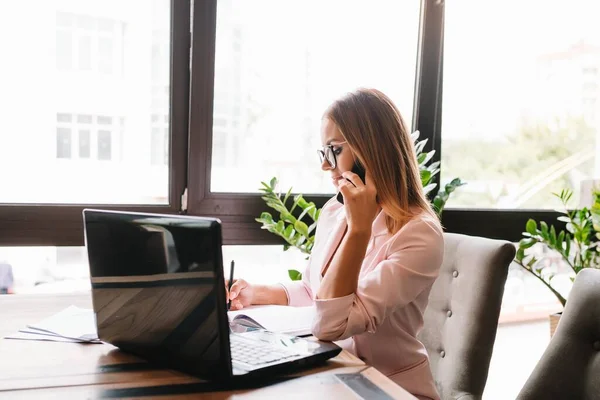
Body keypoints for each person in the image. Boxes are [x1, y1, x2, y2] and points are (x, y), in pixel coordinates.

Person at [227, 88, 444, 400]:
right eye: (323, 152)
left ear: (371, 151)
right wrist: (254, 294)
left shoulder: (419, 234)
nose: (326, 166)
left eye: (334, 150)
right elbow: (314, 292)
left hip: (387, 388)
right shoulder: (335, 211)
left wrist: (359, 230)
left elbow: (331, 324)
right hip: (331, 375)